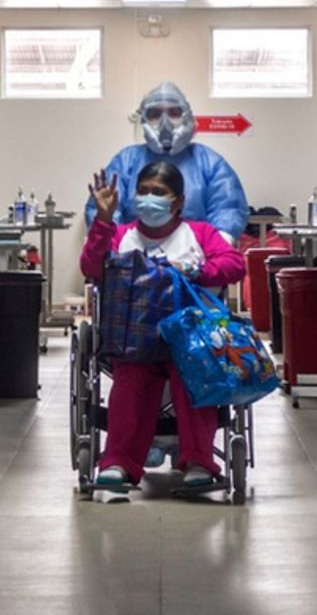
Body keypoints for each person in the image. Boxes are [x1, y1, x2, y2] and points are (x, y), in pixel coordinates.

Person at [80, 161, 248, 487]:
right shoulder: (121, 235)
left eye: (158, 192)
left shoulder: (199, 234)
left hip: (191, 340)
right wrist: (103, 220)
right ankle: (119, 462)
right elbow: (92, 267)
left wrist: (195, 271)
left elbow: (234, 264)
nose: (149, 198)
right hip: (134, 339)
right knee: (130, 382)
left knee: (194, 377)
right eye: (143, 191)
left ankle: (199, 462)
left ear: (178, 201)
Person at [85, 81, 250, 243]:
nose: (165, 122)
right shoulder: (126, 161)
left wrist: (216, 247)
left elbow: (229, 209)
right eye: (155, 114)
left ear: (188, 117)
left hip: (195, 254)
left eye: (174, 113)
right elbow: (104, 208)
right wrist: (112, 245)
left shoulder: (210, 162)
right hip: (134, 252)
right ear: (143, 120)